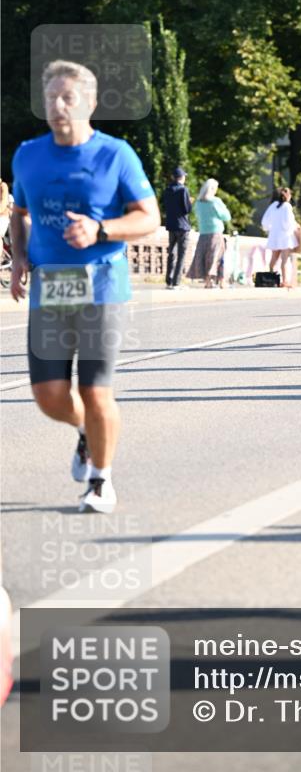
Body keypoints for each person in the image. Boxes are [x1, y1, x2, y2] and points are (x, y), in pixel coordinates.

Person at [10, 59, 159, 513]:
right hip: (50, 289)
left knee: (96, 390)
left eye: (68, 97)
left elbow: (149, 218)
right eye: (51, 97)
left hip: (103, 287)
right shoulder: (28, 155)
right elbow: (20, 212)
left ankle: (100, 479)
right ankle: (84, 432)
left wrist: (101, 230)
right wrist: (18, 256)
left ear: (90, 103)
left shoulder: (115, 155)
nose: (58, 106)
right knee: (50, 396)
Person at [187, 179, 231, 288]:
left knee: (203, 256)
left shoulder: (198, 203)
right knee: (217, 257)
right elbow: (226, 216)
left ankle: (207, 281)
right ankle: (219, 282)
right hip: (215, 232)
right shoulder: (215, 201)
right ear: (212, 189)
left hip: (203, 233)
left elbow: (197, 216)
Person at [261, 187, 299, 286]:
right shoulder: (287, 206)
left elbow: (265, 222)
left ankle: (270, 278)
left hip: (274, 235)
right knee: (284, 259)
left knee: (274, 258)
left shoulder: (273, 206)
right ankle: (285, 280)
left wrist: (271, 228)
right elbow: (288, 222)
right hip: (285, 236)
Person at [162, 166, 191, 289]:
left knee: (171, 254)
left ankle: (169, 280)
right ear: (182, 177)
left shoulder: (167, 190)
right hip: (183, 226)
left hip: (171, 225)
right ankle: (176, 282)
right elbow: (187, 209)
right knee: (181, 254)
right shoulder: (183, 190)